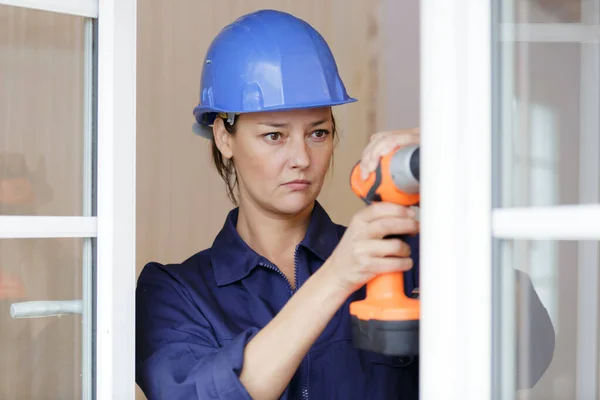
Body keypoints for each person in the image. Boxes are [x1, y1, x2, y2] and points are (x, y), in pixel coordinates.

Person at [135, 9, 555, 400]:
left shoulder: (398, 255)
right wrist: (338, 276)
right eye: (274, 135)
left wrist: (451, 179)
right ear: (225, 138)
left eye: (318, 133)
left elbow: (528, 350)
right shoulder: (176, 293)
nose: (301, 157)